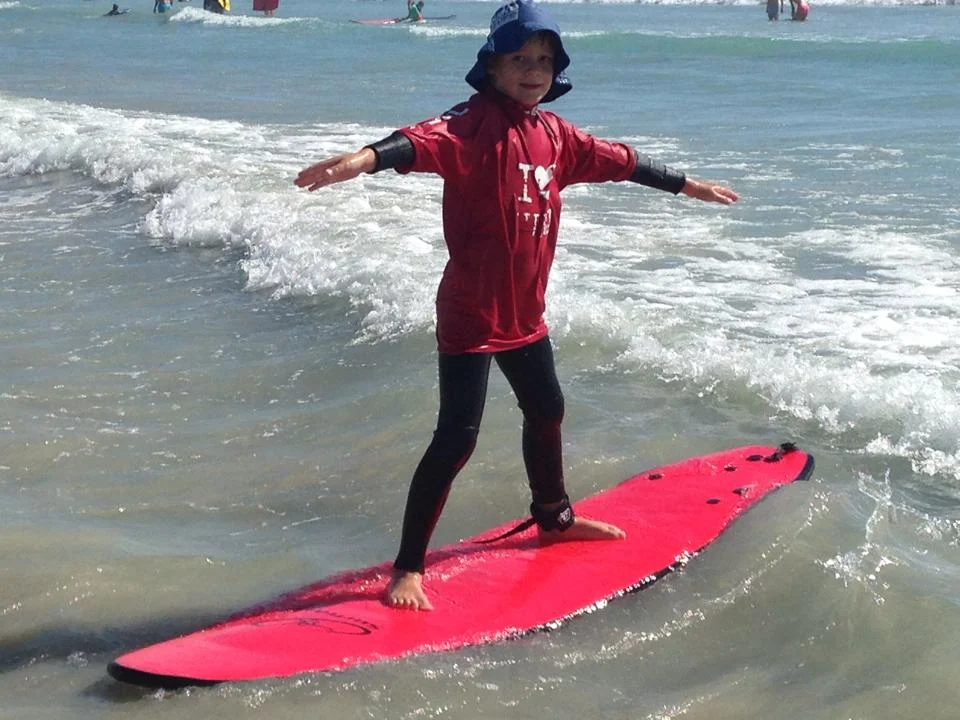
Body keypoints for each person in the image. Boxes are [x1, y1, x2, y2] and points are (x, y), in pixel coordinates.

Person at [295, 0, 738, 611]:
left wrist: (686, 185)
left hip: (525, 315)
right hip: (471, 314)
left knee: (547, 409)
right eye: (520, 59)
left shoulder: (556, 135)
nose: (534, 71)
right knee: (456, 439)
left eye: (544, 61)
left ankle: (553, 518)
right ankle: (408, 568)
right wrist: (361, 161)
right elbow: (417, 141)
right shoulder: (472, 124)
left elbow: (622, 160)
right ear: (493, 67)